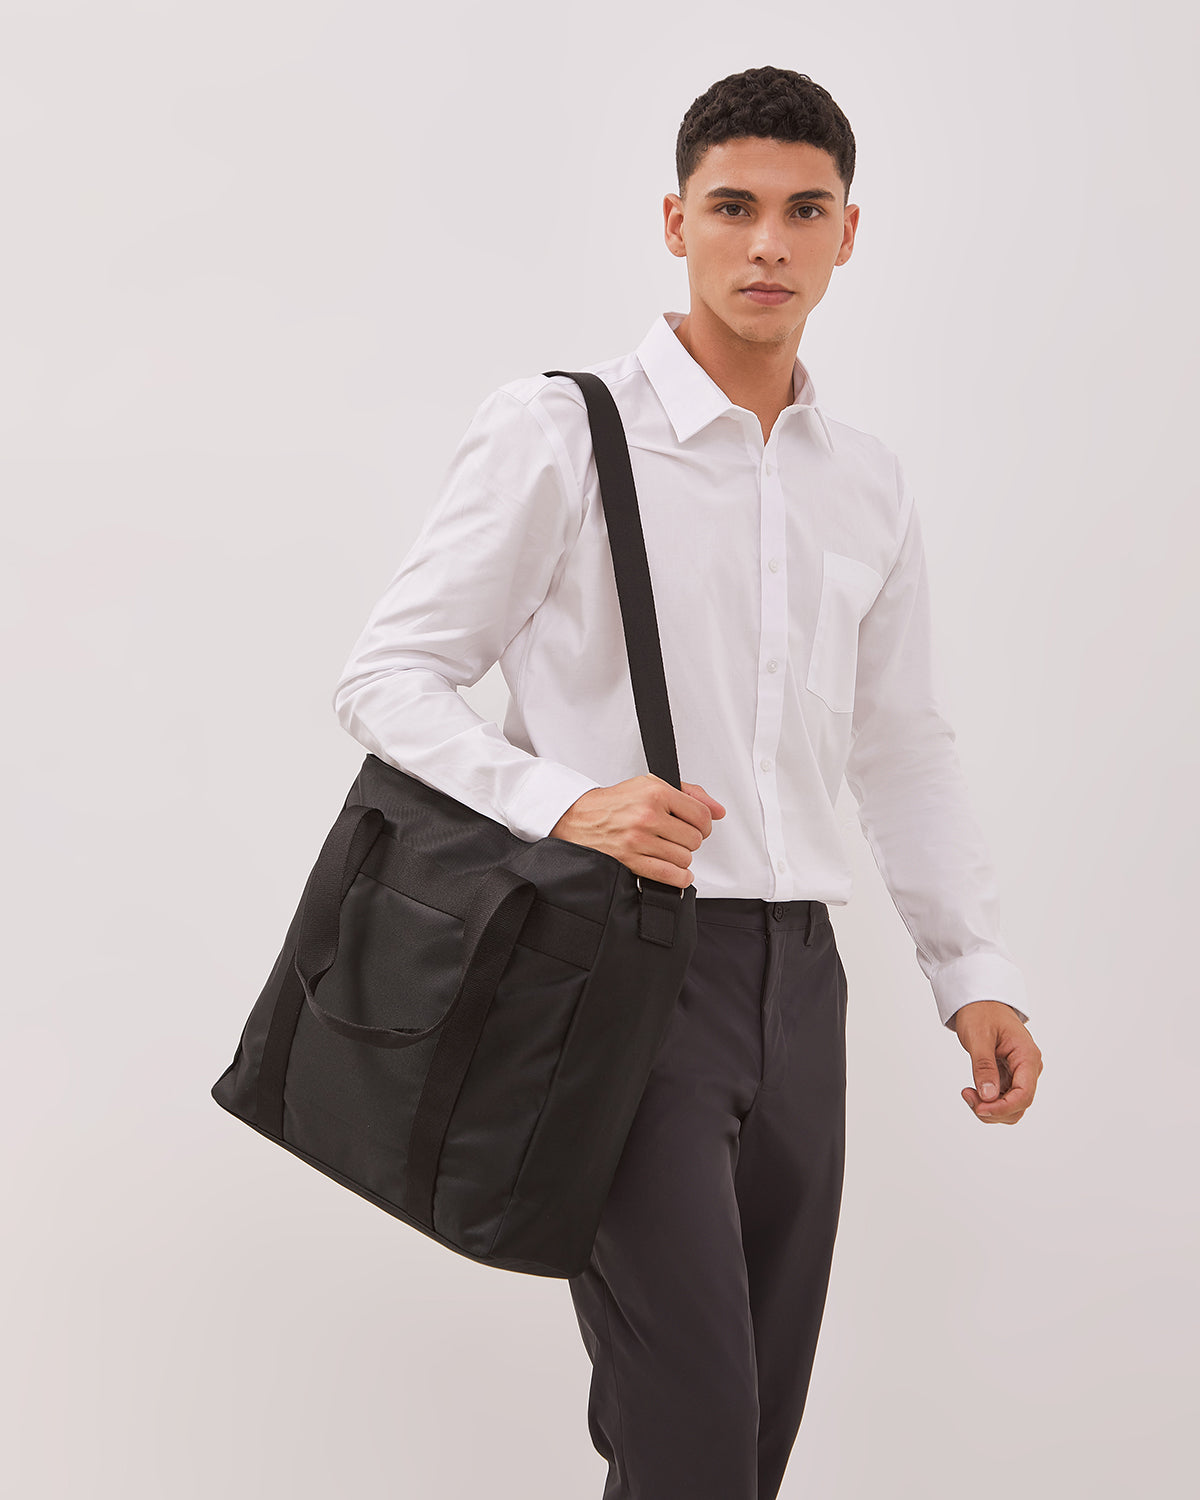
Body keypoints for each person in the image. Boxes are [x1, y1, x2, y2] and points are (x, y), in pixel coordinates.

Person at [332, 63, 1043, 1500]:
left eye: (804, 211)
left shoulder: (866, 482)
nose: (767, 243)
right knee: (694, 1433)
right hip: (616, 969)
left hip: (802, 985)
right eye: (732, 207)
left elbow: (900, 742)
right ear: (676, 222)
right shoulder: (561, 431)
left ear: (849, 234)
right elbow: (388, 675)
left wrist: (970, 968)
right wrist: (563, 801)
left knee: (746, 1440)